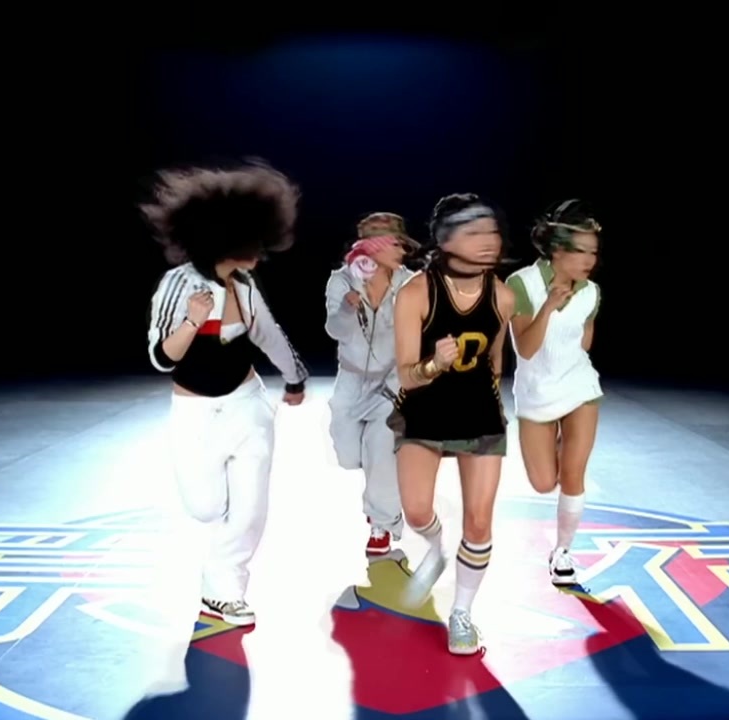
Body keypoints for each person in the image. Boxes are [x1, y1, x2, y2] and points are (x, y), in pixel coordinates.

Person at [143, 161, 309, 627]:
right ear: (224, 238)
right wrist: (192, 321)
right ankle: (224, 547)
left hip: (247, 405)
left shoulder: (245, 286)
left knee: (251, 510)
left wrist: (294, 378)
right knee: (205, 508)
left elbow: (269, 334)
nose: (260, 251)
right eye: (252, 241)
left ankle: (223, 592)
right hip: (196, 413)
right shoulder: (180, 284)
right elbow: (161, 357)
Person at [390, 193, 516, 655]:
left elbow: (496, 360)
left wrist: (488, 400)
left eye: (492, 231)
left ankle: (462, 612)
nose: (489, 241)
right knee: (416, 511)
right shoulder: (416, 293)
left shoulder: (503, 296)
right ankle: (436, 544)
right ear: (445, 240)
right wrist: (434, 366)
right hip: (424, 411)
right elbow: (406, 373)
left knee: (480, 521)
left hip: (479, 416)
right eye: (474, 232)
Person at [505, 199, 603, 587]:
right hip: (536, 392)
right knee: (545, 482)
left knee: (574, 473)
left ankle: (563, 552)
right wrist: (548, 307)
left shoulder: (592, 292)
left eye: (594, 252)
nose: (590, 260)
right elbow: (526, 349)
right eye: (582, 251)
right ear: (557, 250)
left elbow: (584, 344)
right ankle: (558, 444)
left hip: (580, 387)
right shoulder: (522, 284)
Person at [324, 212, 420, 555]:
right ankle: (381, 490)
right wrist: (347, 309)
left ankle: (382, 522)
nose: (403, 251)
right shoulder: (342, 281)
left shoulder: (412, 283)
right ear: (374, 247)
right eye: (396, 244)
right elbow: (334, 329)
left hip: (391, 382)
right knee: (349, 456)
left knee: (381, 448)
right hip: (350, 381)